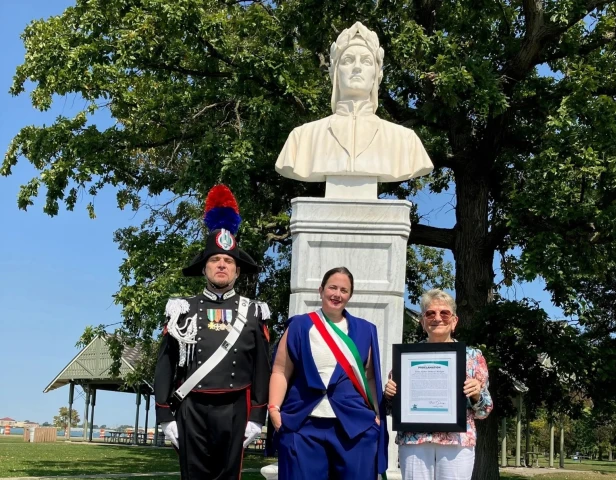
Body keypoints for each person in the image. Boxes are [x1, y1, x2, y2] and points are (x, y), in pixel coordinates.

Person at [154, 184, 271, 480]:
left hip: (236, 409)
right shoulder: (182, 309)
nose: (222, 265)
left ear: (237, 271)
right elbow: (165, 365)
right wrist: (164, 414)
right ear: (204, 268)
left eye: (228, 261)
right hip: (191, 407)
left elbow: (262, 369)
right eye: (215, 260)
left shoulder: (254, 312)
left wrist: (257, 416)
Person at [275, 22, 433, 184]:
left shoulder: (405, 140)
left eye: (366, 61)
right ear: (335, 73)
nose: (357, 67)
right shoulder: (302, 138)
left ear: (377, 75)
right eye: (348, 60)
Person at [268, 267, 388, 480]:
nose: (337, 294)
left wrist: (377, 416)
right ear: (321, 290)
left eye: (344, 290)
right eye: (332, 287)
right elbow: (280, 370)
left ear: (350, 295)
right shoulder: (299, 325)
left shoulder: (365, 330)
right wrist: (274, 409)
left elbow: (369, 377)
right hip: (303, 423)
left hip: (354, 426)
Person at [384, 289, 493, 480]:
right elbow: (392, 409)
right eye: (430, 313)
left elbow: (484, 411)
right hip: (415, 440)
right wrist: (389, 395)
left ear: (454, 321)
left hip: (457, 442)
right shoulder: (407, 357)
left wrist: (477, 395)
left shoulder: (473, 357)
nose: (437, 318)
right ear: (422, 321)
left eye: (444, 313)